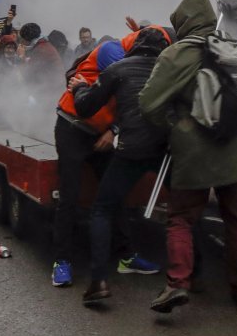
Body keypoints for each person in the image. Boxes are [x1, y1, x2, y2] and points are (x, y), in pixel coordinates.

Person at [140, 0, 237, 312]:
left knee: (180, 219)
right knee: (236, 218)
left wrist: (174, 124)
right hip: (233, 145)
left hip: (193, 151)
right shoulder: (232, 48)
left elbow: (148, 104)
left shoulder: (177, 54)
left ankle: (178, 284)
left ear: (184, 22)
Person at [73, 27, 170, 305]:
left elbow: (85, 107)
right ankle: (189, 277)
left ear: (135, 46)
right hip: (165, 150)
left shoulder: (118, 68)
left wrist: (80, 87)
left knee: (102, 209)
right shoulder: (170, 70)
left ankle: (99, 282)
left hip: (131, 150)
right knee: (185, 210)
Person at [50, 39, 124, 287]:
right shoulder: (84, 73)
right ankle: (62, 261)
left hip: (101, 133)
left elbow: (132, 105)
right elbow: (83, 102)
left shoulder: (128, 69)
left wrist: (112, 130)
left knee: (115, 190)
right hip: (71, 129)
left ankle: (127, 254)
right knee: (68, 196)